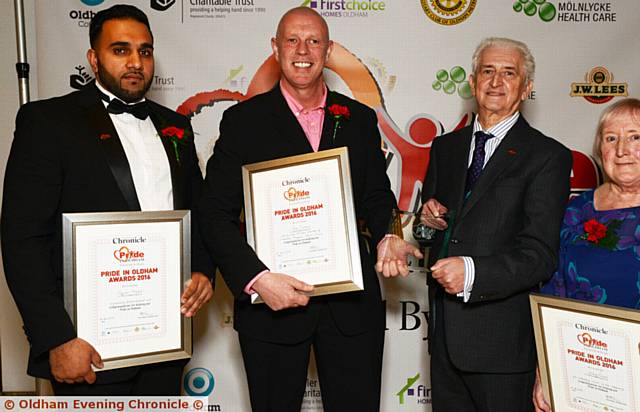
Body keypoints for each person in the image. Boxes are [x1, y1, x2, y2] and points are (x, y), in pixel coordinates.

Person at [1, 4, 214, 395]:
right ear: (93, 59)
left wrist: (202, 269)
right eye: (120, 50)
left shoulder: (176, 127)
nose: (135, 62)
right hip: (86, 349)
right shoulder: (47, 122)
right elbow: (22, 240)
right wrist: (56, 339)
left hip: (164, 340)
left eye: (145, 51)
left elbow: (197, 212)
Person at [198, 7, 399, 411]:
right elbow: (213, 213)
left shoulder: (358, 119)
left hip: (351, 306)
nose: (302, 50)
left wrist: (388, 233)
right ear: (276, 48)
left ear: (328, 51)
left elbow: (378, 195)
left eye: (313, 41)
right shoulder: (242, 122)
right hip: (271, 306)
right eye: (291, 40)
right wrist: (255, 278)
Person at [419, 37, 572, 412]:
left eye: (509, 73)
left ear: (527, 87)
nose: (496, 81)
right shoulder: (445, 148)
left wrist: (472, 273)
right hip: (443, 342)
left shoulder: (548, 156)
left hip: (502, 349)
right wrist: (426, 225)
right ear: (472, 82)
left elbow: (539, 255)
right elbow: (434, 237)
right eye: (487, 71)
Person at [533, 97, 640, 411]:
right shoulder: (574, 211)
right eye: (611, 138)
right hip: (581, 371)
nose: (622, 150)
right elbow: (553, 292)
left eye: (635, 137)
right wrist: (546, 370)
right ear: (599, 149)